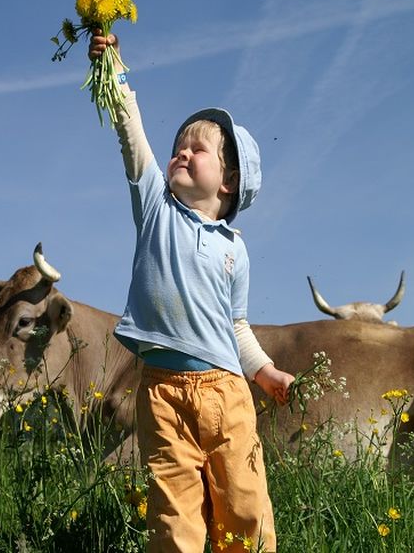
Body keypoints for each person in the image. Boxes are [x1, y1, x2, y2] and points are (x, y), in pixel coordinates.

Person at [89, 31, 295, 553]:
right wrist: (113, 71)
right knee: (174, 513)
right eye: (178, 144)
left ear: (227, 182)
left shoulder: (235, 250)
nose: (181, 151)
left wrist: (264, 370)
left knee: (244, 506)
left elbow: (237, 325)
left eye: (196, 148)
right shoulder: (156, 208)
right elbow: (132, 136)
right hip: (161, 391)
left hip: (227, 393)